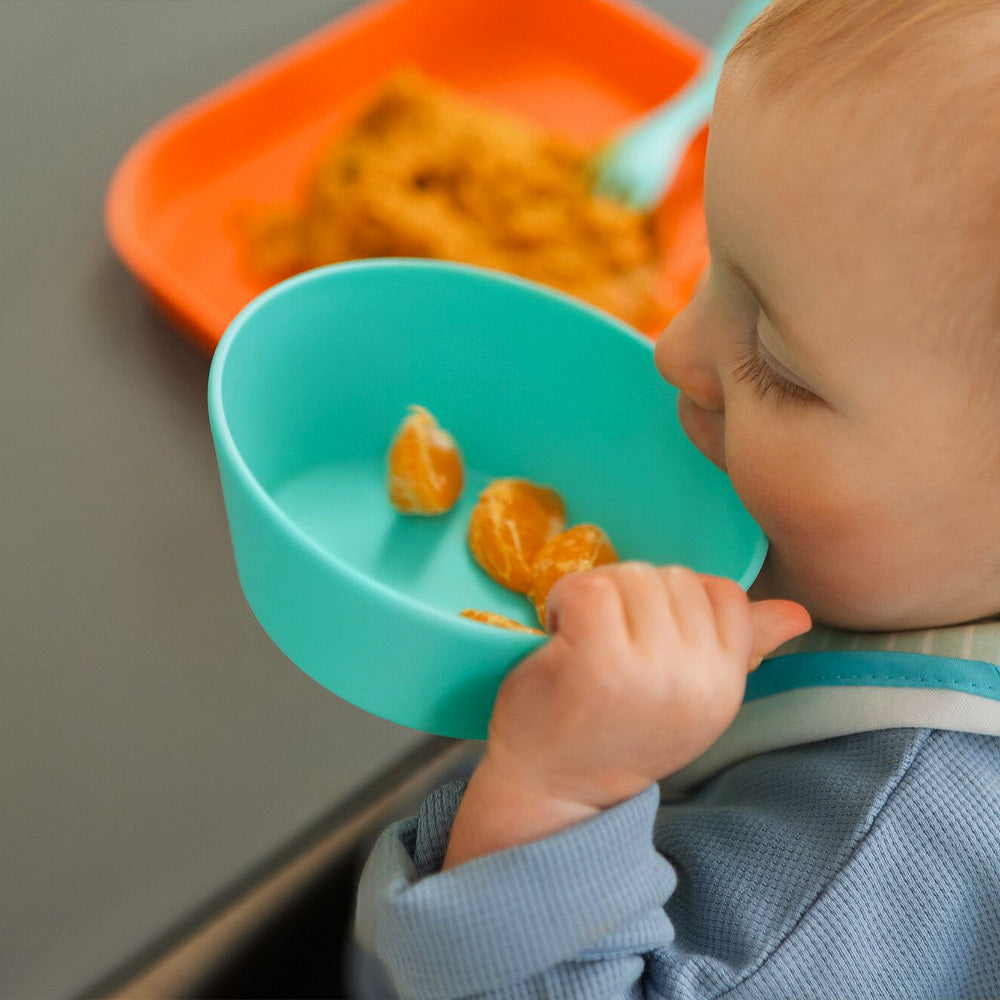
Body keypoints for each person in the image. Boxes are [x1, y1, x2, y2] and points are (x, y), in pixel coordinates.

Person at [351, 1, 1000, 996]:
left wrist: (554, 804)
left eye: (777, 362)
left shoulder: (873, 855)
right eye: (713, 265)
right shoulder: (929, 546)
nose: (675, 350)